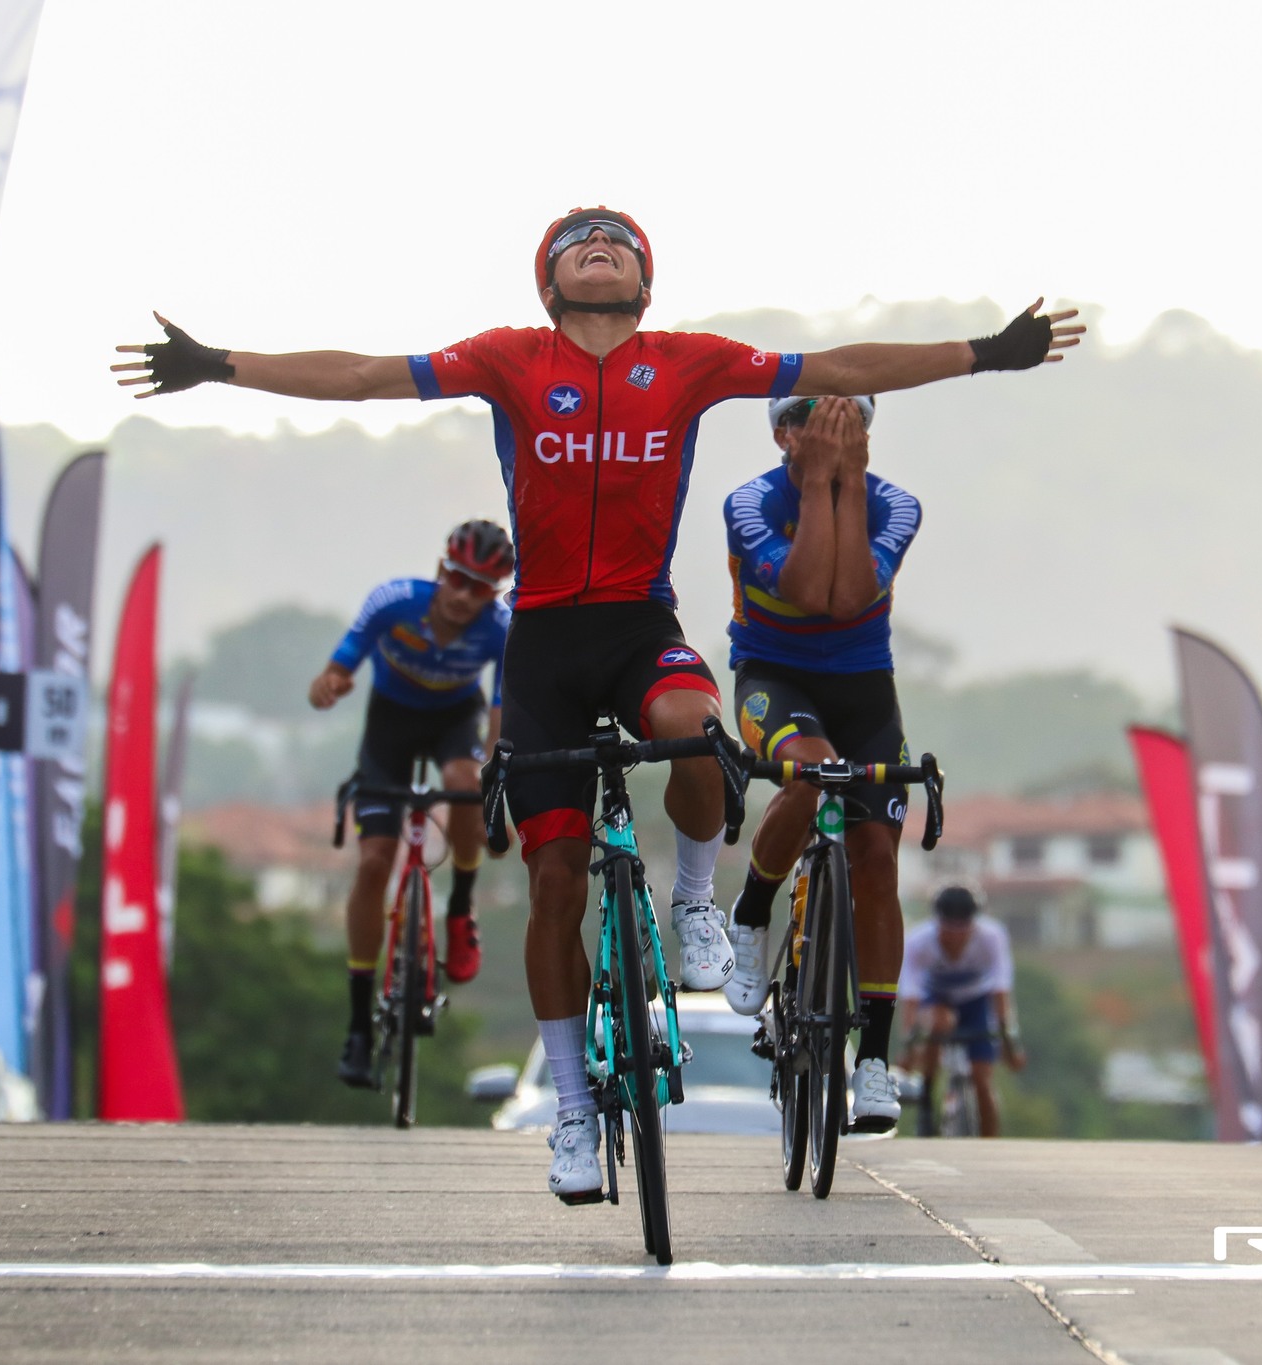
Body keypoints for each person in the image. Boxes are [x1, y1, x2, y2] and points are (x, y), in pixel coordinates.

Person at [113, 208, 1084, 1199]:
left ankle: (695, 901)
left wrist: (986, 354)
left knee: (700, 739)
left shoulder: (691, 360)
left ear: (644, 280)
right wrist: (218, 365)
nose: (596, 241)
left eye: (615, 238)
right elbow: (361, 376)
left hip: (635, 625)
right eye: (574, 239)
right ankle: (573, 1112)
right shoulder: (506, 359)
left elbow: (835, 364)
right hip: (540, 640)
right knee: (555, 884)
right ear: (547, 282)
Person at [718, 393, 919, 1133]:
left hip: (866, 689)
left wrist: (851, 483)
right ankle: (751, 913)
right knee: (812, 773)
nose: (836, 431)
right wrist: (814, 488)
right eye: (813, 418)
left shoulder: (896, 504)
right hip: (775, 677)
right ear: (782, 435)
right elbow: (812, 594)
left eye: (852, 419)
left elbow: (855, 595)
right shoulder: (751, 501)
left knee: (877, 858)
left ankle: (873, 1059)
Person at [315, 521, 514, 1087]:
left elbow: (497, 727)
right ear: (438, 570)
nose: (460, 594)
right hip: (390, 725)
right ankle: (358, 1025)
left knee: (466, 778)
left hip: (455, 721)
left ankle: (461, 911)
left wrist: (496, 786)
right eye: (454, 577)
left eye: (477, 587)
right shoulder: (393, 603)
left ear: (494, 593)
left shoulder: (501, 631)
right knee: (375, 862)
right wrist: (328, 685)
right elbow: (337, 666)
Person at [899, 887, 1024, 1138]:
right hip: (936, 998)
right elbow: (911, 999)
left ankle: (990, 1143)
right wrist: (910, 1047)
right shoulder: (918, 941)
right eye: (948, 929)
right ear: (937, 923)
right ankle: (928, 1093)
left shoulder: (991, 937)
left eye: (963, 929)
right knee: (940, 1022)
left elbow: (1000, 993)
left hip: (975, 1000)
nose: (956, 936)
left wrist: (1009, 1043)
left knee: (982, 1079)